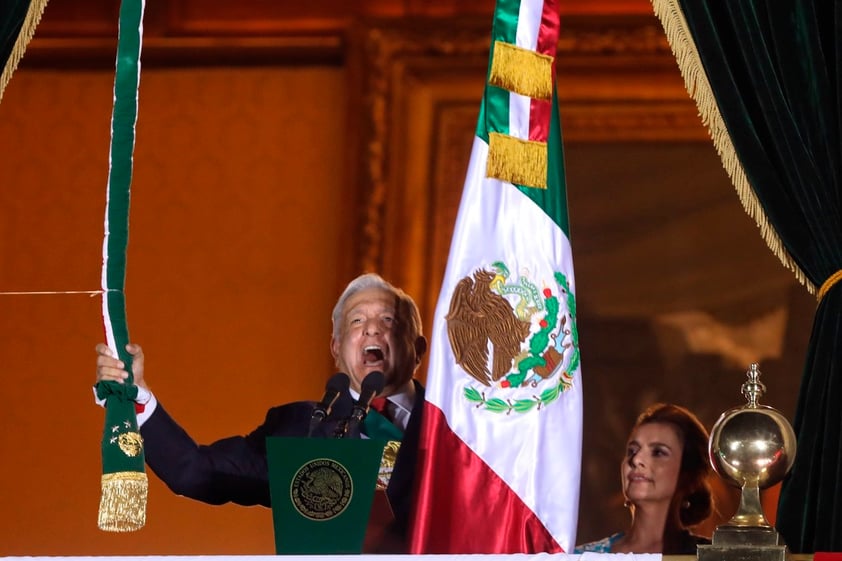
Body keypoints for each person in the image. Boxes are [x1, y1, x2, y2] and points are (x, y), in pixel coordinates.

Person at [94, 272, 427, 550]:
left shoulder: (461, 427)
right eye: (357, 320)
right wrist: (135, 395)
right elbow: (196, 472)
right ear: (336, 349)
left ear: (418, 349)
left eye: (388, 319)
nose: (372, 329)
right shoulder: (301, 427)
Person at [575, 403, 714, 554]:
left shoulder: (714, 557)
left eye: (658, 452)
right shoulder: (582, 557)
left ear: (688, 476)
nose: (636, 460)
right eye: (632, 450)